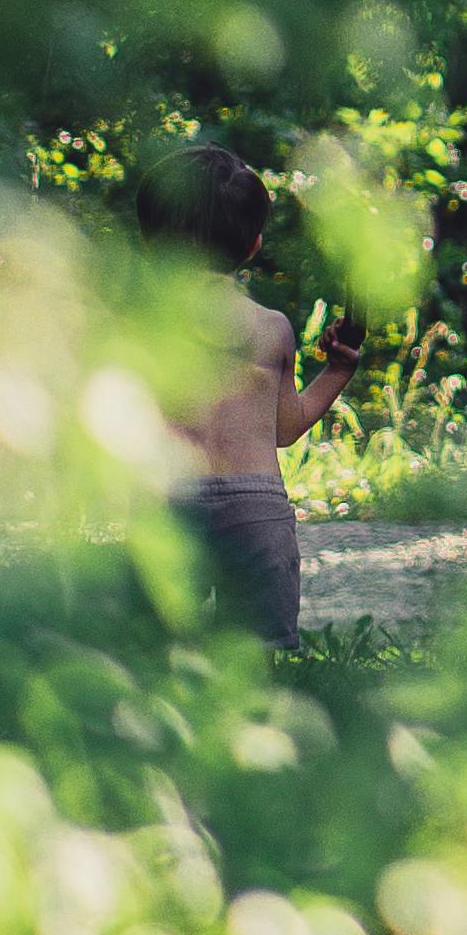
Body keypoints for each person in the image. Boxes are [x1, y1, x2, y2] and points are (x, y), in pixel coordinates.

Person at [139, 138, 358, 647]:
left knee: (161, 648)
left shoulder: (144, 322)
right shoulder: (272, 328)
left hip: (171, 500)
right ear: (254, 246)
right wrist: (338, 371)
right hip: (256, 507)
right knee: (263, 653)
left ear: (151, 245)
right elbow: (285, 430)